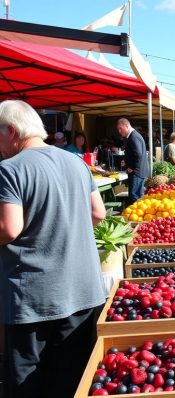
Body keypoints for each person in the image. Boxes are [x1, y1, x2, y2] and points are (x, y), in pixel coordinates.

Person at [0, 100, 107, 398]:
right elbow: (98, 213)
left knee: (28, 386)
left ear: (10, 130)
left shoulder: (8, 170)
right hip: (84, 293)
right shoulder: (76, 162)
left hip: (35, 299)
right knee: (71, 381)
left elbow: (9, 228)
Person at [117, 118, 150, 205]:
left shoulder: (133, 136)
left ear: (127, 126)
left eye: (120, 128)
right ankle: (141, 215)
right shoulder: (133, 136)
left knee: (134, 196)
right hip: (139, 171)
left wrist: (131, 167)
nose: (119, 131)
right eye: (118, 129)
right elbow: (135, 153)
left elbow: (138, 154)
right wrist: (126, 160)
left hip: (136, 172)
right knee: (139, 196)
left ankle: (136, 217)